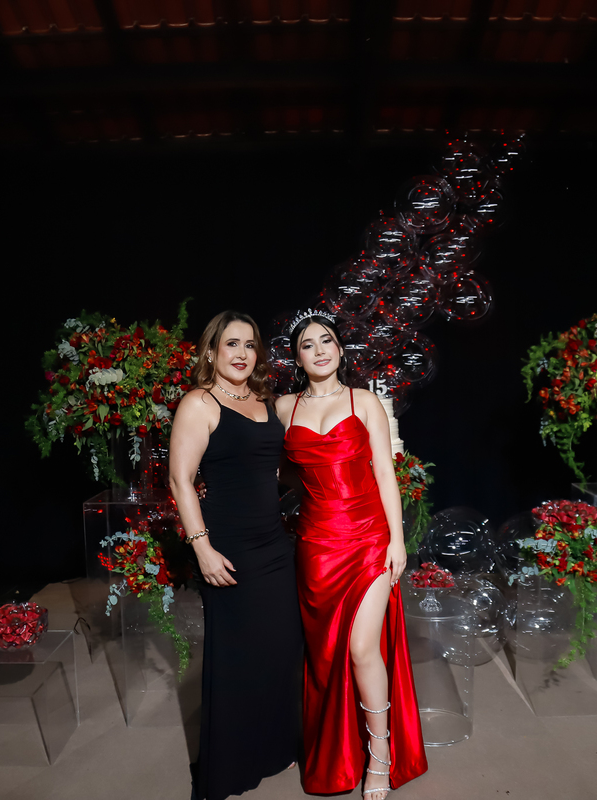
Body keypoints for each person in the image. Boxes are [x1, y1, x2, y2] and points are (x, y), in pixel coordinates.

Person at [275, 313, 428, 800]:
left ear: (340, 350)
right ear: (296, 357)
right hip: (316, 547)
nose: (319, 350)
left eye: (327, 340)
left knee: (363, 648)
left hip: (368, 540)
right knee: (325, 656)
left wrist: (397, 541)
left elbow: (385, 473)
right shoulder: (283, 408)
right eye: (307, 344)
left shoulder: (364, 401)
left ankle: (380, 758)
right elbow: (279, 473)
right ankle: (338, 749)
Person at [169, 311, 301, 800]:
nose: (242, 353)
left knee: (281, 648)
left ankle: (274, 747)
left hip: (274, 543)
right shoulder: (199, 403)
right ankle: (232, 765)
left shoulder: (264, 401)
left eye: (249, 344)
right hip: (228, 544)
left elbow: (278, 471)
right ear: (212, 351)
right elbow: (180, 480)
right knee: (237, 656)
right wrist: (202, 547)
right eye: (231, 344)